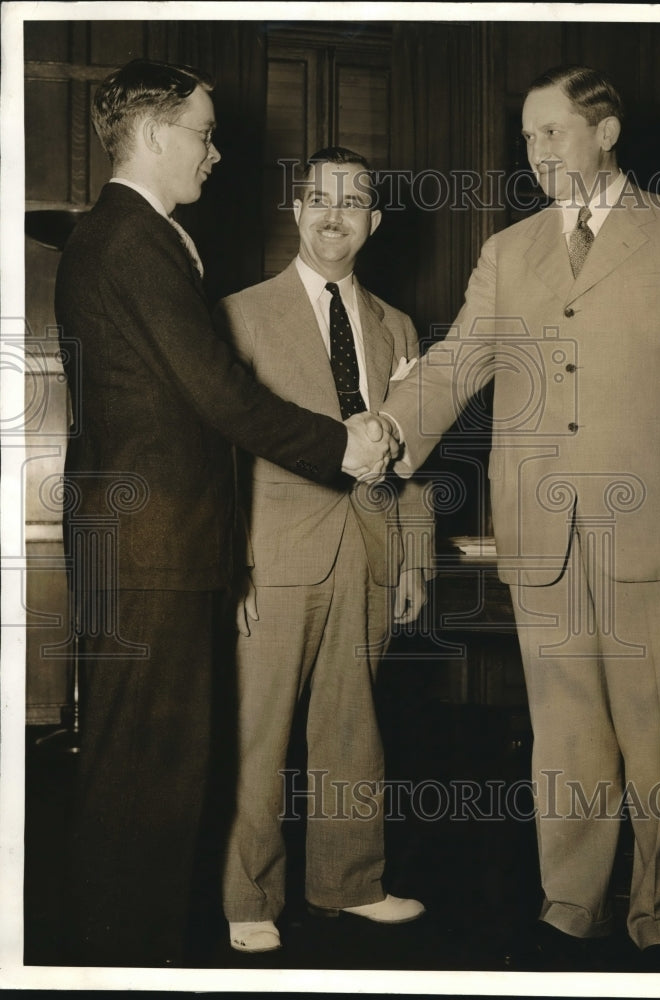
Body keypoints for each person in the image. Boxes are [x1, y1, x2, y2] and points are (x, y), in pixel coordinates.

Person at [381, 65, 660, 971]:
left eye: (549, 131)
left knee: (659, 730)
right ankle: (570, 902)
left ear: (606, 132)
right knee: (565, 735)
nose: (535, 151)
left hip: (655, 529)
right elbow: (457, 362)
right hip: (543, 536)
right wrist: (389, 425)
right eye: (525, 137)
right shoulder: (509, 252)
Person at [55, 60, 396, 968]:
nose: (215, 153)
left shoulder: (137, 237)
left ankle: (131, 952)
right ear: (158, 135)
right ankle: (124, 960)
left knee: (151, 768)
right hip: (149, 547)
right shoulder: (132, 241)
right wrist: (341, 447)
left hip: (151, 545)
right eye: (205, 134)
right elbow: (219, 394)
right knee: (145, 771)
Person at [216, 147, 433, 954]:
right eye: (316, 198)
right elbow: (224, 456)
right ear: (296, 210)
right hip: (269, 554)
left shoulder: (397, 325)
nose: (331, 214)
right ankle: (250, 898)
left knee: (353, 728)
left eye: (352, 202)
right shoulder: (239, 315)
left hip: (368, 551)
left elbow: (416, 453)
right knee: (259, 731)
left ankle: (349, 883)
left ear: (373, 222)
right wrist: (228, 565)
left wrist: (414, 555)